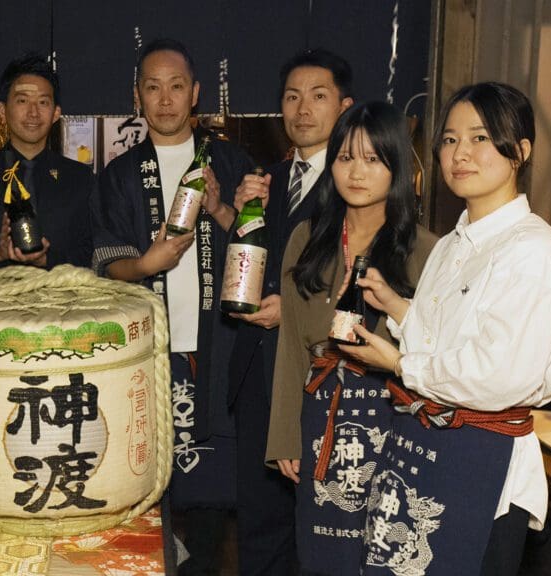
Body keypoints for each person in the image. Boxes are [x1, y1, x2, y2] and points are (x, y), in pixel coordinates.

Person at [341, 83, 551, 574]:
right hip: (430, 446)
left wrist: (399, 364)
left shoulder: (533, 251)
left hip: (485, 461)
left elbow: (499, 375)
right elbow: (446, 337)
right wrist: (399, 308)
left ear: (521, 151)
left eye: (480, 138)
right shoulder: (452, 243)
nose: (460, 153)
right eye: (449, 139)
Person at [92, 38, 252, 575]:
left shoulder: (231, 162)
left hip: (217, 354)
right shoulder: (119, 174)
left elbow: (262, 249)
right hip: (147, 358)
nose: (165, 100)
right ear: (137, 96)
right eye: (153, 87)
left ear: (196, 93)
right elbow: (105, 263)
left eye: (176, 86)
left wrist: (222, 209)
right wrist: (147, 263)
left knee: (210, 503)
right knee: (142, 495)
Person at [264, 101, 437, 574]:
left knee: (388, 553)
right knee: (323, 551)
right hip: (321, 413)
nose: (356, 172)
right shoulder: (307, 238)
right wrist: (284, 436)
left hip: (393, 415)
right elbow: (291, 347)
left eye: (373, 159)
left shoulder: (427, 250)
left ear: (396, 166)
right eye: (345, 158)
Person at [224, 47, 354, 576]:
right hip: (258, 371)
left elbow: (361, 279)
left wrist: (294, 311)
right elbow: (247, 265)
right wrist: (239, 215)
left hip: (322, 379)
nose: (303, 109)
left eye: (318, 96)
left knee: (321, 525)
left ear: (344, 107)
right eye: (292, 96)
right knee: (259, 524)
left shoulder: (358, 184)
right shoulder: (267, 180)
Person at [0, 53, 94, 282]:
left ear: (56, 113)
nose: (33, 113)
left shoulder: (81, 179)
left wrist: (47, 259)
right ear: (2, 111)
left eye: (43, 102)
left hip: (62, 300)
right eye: (22, 101)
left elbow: (91, 254)